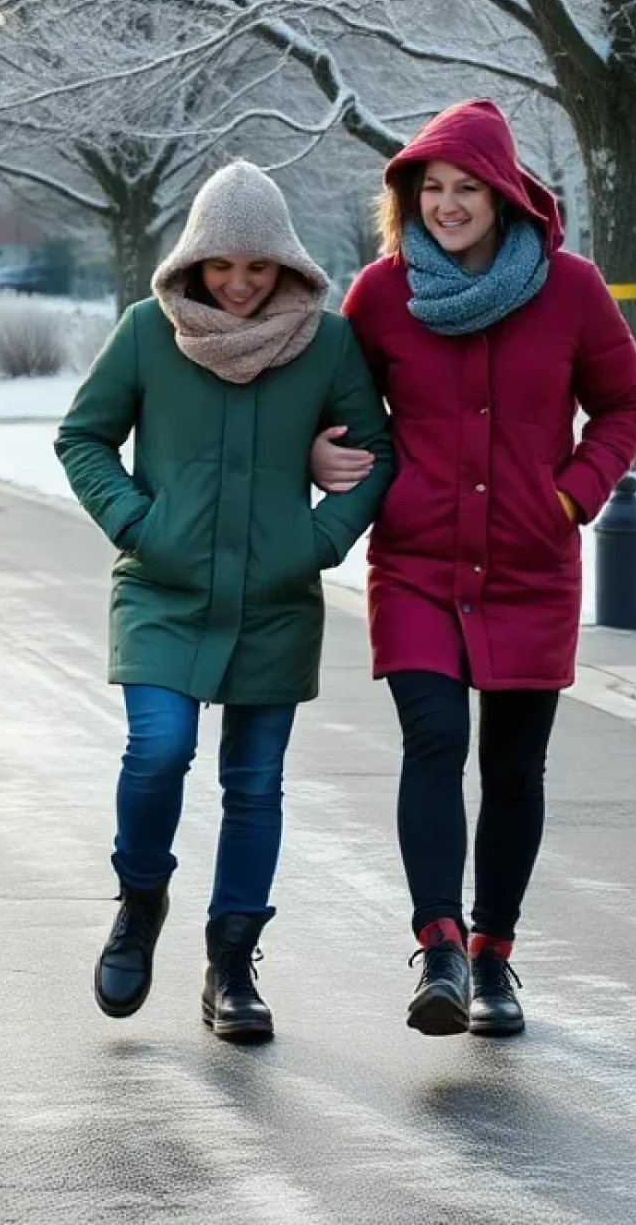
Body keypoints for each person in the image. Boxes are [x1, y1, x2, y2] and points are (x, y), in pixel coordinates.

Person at [314, 99, 636, 1037]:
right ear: (408, 196)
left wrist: (571, 495)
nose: (450, 204)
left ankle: (496, 957)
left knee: (514, 767)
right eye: (433, 188)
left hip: (529, 564)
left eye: (468, 187)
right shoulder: (380, 296)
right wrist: (324, 458)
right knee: (433, 740)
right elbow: (338, 409)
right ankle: (440, 950)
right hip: (419, 561)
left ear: (503, 194)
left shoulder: (570, 289)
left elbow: (629, 402)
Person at [56, 161, 394, 1041]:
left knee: (255, 786)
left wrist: (317, 542)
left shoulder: (325, 344)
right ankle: (140, 902)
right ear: (194, 262)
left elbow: (376, 457)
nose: (239, 285)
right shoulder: (145, 333)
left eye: (257, 267)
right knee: (158, 750)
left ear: (285, 263)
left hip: (275, 600)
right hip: (162, 591)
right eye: (221, 266)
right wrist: (139, 524)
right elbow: (83, 437)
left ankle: (232, 966)